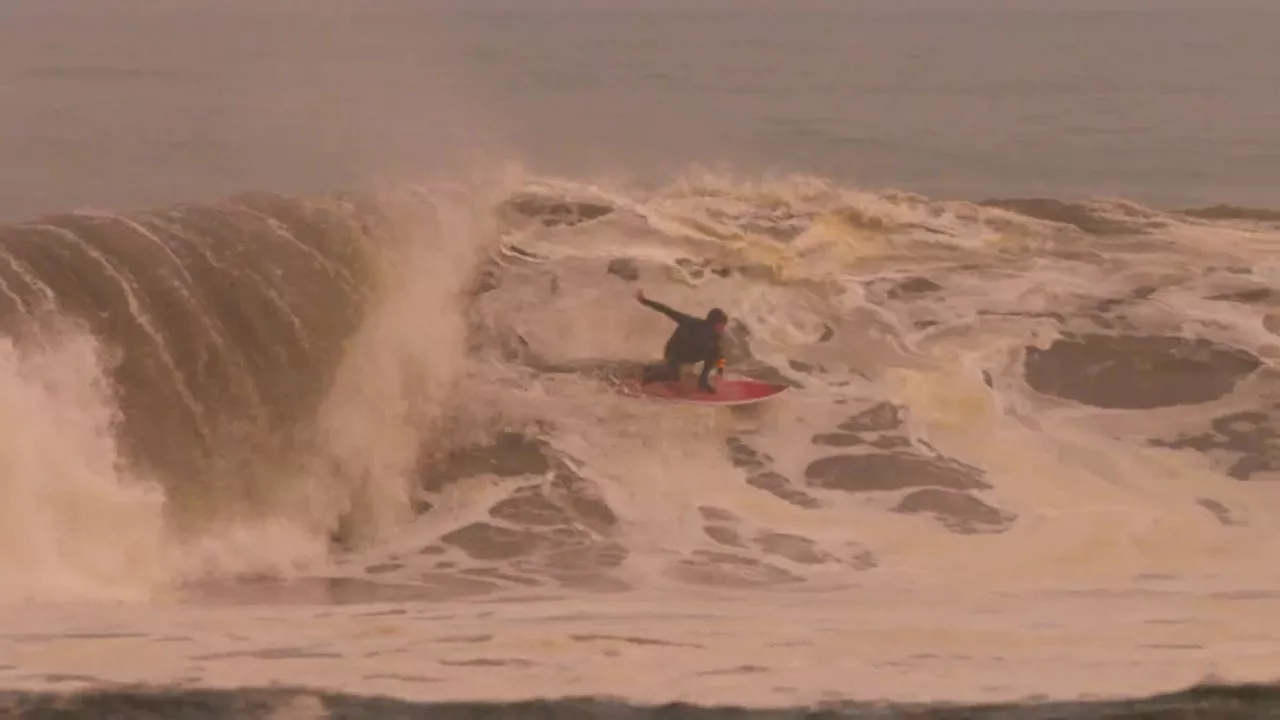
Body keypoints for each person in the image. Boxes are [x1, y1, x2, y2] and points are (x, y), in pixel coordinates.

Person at [635, 289, 728, 393]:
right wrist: (644, 301)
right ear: (712, 323)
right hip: (675, 351)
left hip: (691, 355)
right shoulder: (692, 323)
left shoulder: (715, 337)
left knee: (714, 353)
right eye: (720, 326)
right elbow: (668, 311)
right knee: (672, 375)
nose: (722, 329)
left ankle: (702, 382)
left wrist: (720, 373)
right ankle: (645, 379)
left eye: (723, 326)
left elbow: (721, 357)